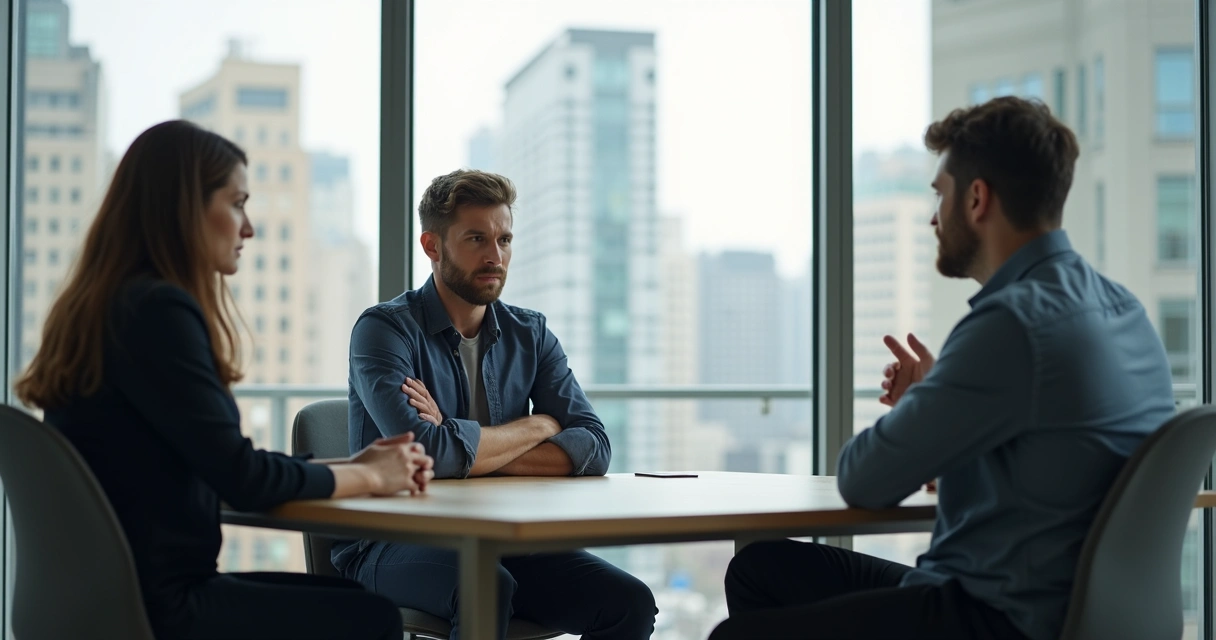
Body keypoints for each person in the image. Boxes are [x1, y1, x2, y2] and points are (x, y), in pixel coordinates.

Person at [710, 96, 1177, 640]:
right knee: (762, 568)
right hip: (1076, 609)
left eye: (940, 194)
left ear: (977, 199)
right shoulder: (1125, 310)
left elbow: (863, 480)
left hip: (997, 619)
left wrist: (922, 405)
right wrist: (946, 406)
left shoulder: (1010, 325)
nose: (934, 217)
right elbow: (1050, 462)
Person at [14, 120, 436, 640]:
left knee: (355, 604)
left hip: (102, 599)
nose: (248, 227)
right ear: (185, 208)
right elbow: (242, 477)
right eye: (237, 202)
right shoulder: (158, 312)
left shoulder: (108, 308)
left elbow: (219, 465)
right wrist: (371, 476)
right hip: (163, 606)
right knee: (370, 616)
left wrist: (353, 466)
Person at [336, 169, 657, 639]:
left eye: (504, 239)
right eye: (475, 239)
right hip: (392, 542)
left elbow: (594, 446)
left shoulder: (531, 333)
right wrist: (539, 426)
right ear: (432, 246)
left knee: (628, 603)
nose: (495, 256)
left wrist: (463, 447)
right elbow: (426, 454)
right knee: (486, 588)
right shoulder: (384, 331)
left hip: (504, 537)